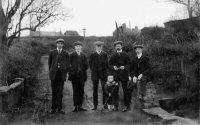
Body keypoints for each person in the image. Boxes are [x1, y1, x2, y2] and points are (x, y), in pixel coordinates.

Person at [48, 38, 69, 114]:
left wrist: (64, 71)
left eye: (61, 44)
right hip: (54, 75)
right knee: (54, 91)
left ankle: (60, 108)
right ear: (56, 44)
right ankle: (53, 108)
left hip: (61, 75)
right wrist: (52, 71)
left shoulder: (66, 53)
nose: (60, 45)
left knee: (60, 92)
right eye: (58, 43)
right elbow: (49, 64)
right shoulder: (52, 52)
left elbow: (67, 64)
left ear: (63, 45)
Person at [109, 41, 130, 112]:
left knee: (125, 91)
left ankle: (126, 106)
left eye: (119, 46)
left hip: (124, 76)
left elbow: (129, 65)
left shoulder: (126, 55)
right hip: (116, 76)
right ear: (115, 47)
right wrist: (113, 67)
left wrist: (124, 67)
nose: (118, 47)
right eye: (116, 46)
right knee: (115, 91)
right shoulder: (113, 55)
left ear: (121, 46)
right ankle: (116, 106)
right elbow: (109, 65)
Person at [68, 41, 88, 112]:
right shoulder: (72, 55)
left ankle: (80, 106)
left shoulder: (83, 55)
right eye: (77, 46)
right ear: (75, 47)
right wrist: (73, 72)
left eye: (79, 46)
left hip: (82, 76)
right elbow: (69, 65)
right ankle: (75, 106)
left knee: (81, 91)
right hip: (74, 76)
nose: (78, 47)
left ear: (81, 47)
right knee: (75, 91)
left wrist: (82, 69)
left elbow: (86, 65)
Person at [89, 41, 109, 110]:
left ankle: (105, 104)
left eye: (100, 46)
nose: (99, 47)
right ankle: (95, 105)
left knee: (104, 89)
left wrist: (104, 71)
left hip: (103, 74)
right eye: (98, 46)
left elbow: (107, 65)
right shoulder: (92, 55)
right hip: (95, 74)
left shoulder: (105, 54)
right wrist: (95, 71)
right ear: (96, 47)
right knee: (95, 90)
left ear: (102, 47)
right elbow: (90, 65)